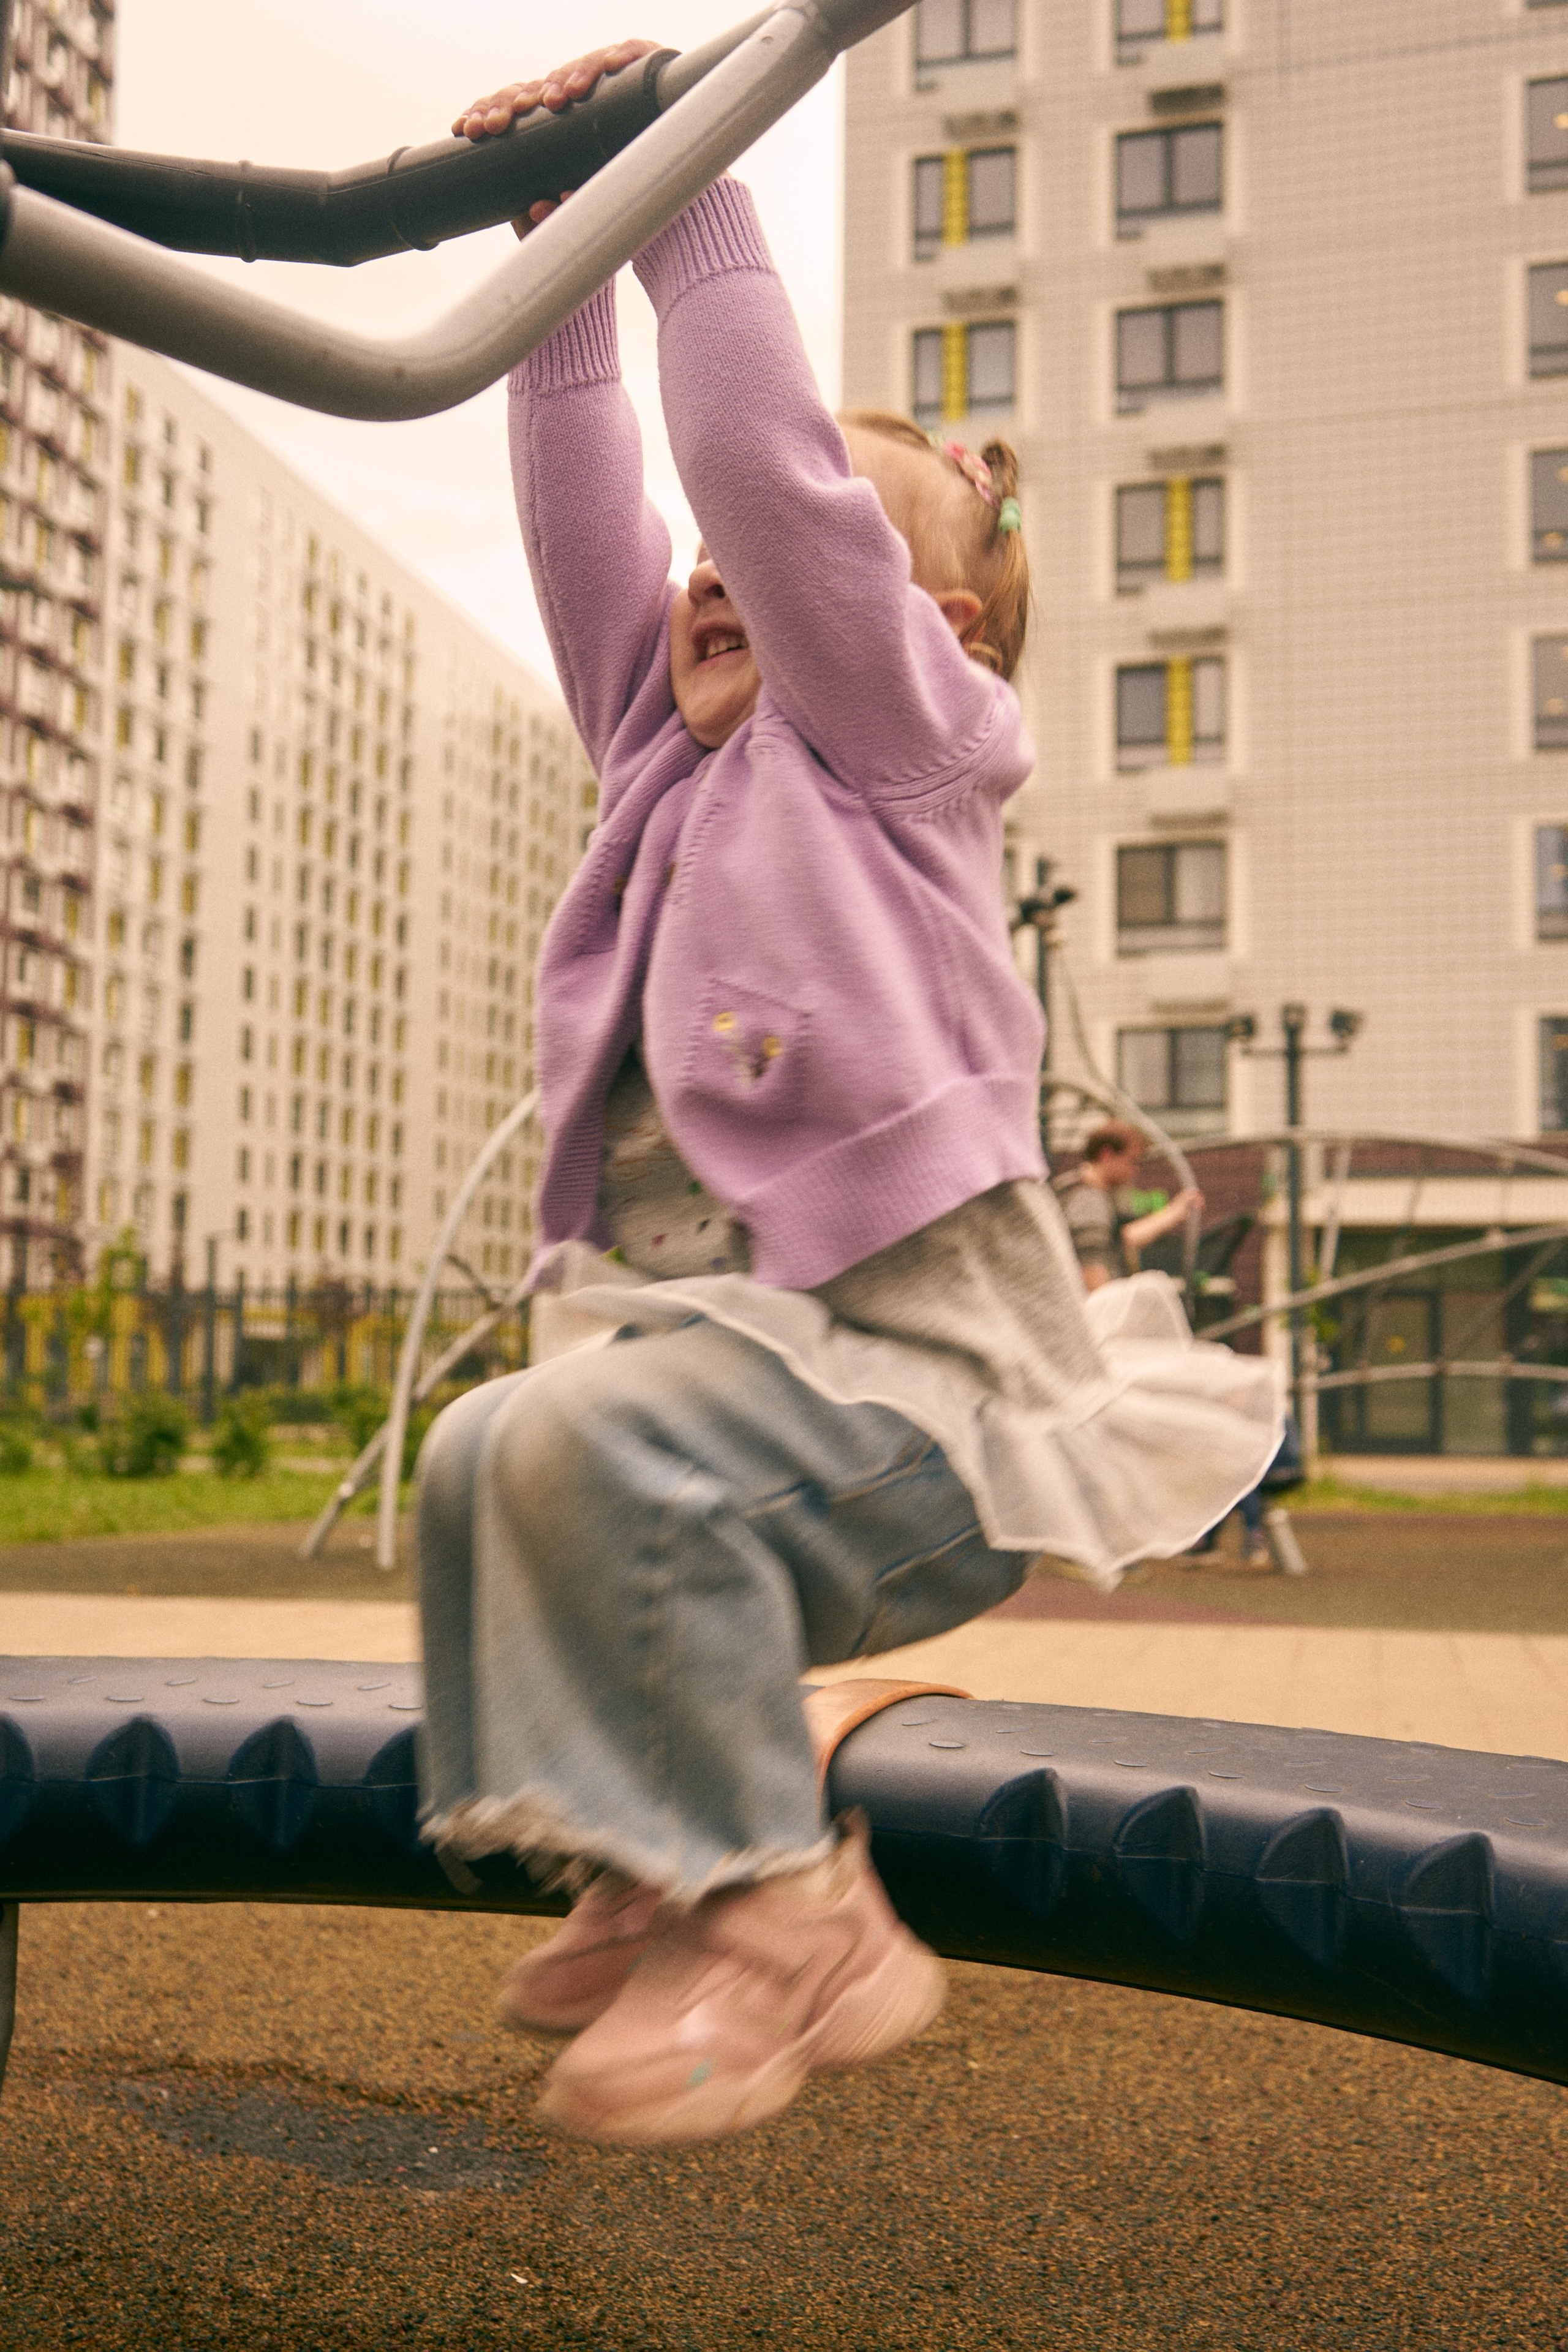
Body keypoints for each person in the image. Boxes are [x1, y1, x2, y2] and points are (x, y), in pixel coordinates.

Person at [416, 40, 1283, 2152]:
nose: (718, 574)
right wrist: (559, 257)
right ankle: (649, 1848)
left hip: (923, 1422)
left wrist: (680, 194)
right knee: (481, 1451)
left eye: (777, 550)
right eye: (704, 565)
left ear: (946, 626)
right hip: (754, 1399)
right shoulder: (663, 755)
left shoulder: (901, 741)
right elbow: (587, 508)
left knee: (601, 1444)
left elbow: (753, 469)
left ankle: (797, 1909)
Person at [1058, 1121, 1204, 1293]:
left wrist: (1173, 1213)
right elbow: (1091, 1271)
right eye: (1132, 1161)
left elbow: (1123, 1239)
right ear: (1107, 1155)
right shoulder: (1088, 1199)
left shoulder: (1087, 1191)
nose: (1135, 1170)